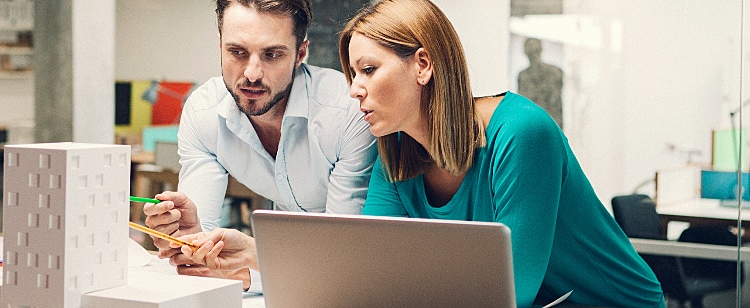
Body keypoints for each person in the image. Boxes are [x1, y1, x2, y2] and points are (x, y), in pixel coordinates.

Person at [175, 0, 666, 307]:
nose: (355, 90)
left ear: (423, 65)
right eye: (352, 75)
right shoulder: (395, 149)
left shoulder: (522, 133)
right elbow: (361, 266)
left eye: (368, 70)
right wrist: (256, 254)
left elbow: (511, 293)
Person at [142, 0, 376, 292]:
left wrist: (254, 272)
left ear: (300, 53)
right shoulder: (203, 113)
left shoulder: (347, 112)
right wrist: (188, 238)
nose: (252, 73)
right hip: (292, 272)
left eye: (272, 55)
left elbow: (341, 256)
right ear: (220, 47)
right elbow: (201, 246)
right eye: (237, 52)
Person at [517, 37, 564, 127]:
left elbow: (555, 104)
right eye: (531, 52)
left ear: (540, 50)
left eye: (535, 51)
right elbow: (523, 106)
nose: (533, 55)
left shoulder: (555, 72)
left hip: (550, 126)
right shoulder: (523, 76)